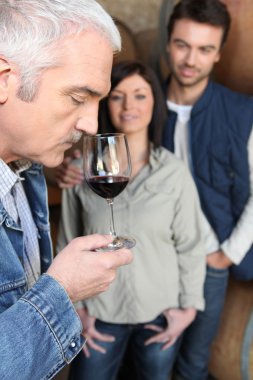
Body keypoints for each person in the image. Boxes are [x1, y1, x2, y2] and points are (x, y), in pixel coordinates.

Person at [0, 1, 133, 379]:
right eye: (78, 98)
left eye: (97, 102)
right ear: (4, 79)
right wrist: (61, 289)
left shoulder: (29, 171)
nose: (92, 123)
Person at [56, 60, 206, 380]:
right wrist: (75, 308)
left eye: (140, 95)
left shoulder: (174, 172)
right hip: (98, 314)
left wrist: (188, 308)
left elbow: (192, 245)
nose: (128, 106)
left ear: (155, 101)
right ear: (105, 103)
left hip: (159, 313)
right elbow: (67, 241)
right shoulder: (81, 171)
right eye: (117, 96)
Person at [162, 1, 253, 379]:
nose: (190, 59)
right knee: (149, 359)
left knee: (194, 365)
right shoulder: (139, 104)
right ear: (168, 43)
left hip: (209, 263)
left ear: (218, 54)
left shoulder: (243, 112)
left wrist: (227, 255)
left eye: (204, 49)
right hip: (156, 261)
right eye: (183, 45)